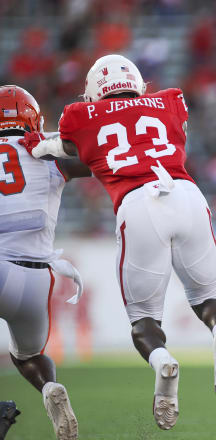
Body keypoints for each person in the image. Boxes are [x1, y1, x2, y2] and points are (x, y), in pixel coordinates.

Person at [21, 54, 216, 430]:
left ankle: (162, 362)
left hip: (138, 204)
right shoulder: (170, 99)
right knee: (208, 297)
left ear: (92, 92)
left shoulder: (78, 115)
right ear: (136, 84)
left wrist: (44, 145)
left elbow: (75, 150)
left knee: (143, 320)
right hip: (187, 194)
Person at [0, 85, 91, 440]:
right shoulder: (46, 149)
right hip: (37, 278)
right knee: (28, 355)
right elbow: (95, 160)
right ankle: (49, 387)